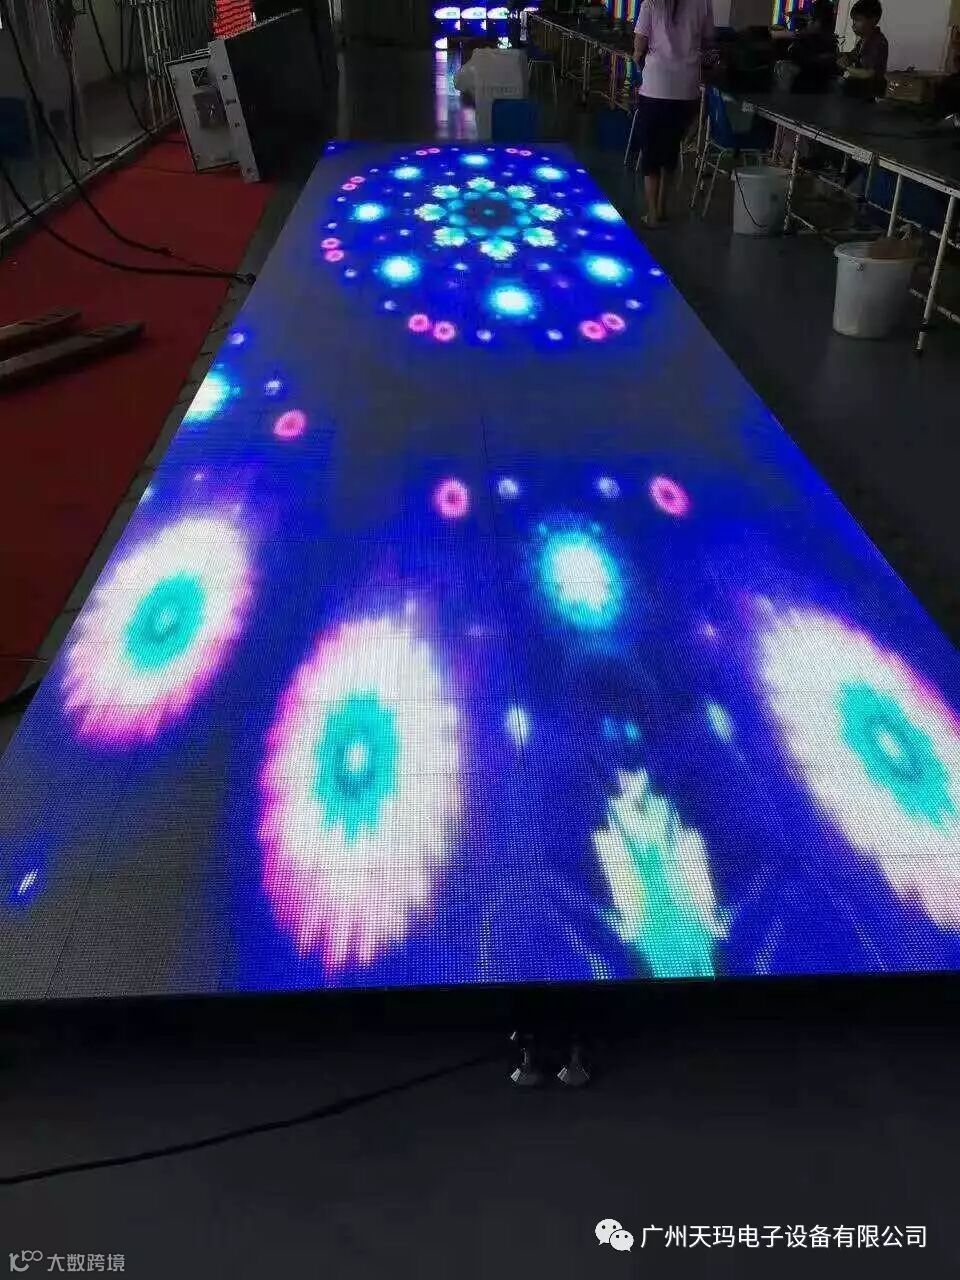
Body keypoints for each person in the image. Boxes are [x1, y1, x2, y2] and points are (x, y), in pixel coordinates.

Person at [633, 0, 715, 227]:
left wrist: (639, 61)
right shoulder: (703, 3)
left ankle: (651, 213)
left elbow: (639, 44)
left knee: (651, 151)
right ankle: (662, 208)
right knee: (670, 149)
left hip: (656, 87)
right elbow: (709, 42)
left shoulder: (651, 3)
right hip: (686, 88)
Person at [839, 0, 888, 99]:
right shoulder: (863, 41)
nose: (853, 24)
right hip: (860, 92)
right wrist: (843, 57)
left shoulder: (878, 42)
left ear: (873, 20)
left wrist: (846, 67)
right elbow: (852, 56)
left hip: (870, 96)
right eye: (853, 20)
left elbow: (868, 73)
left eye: (858, 20)